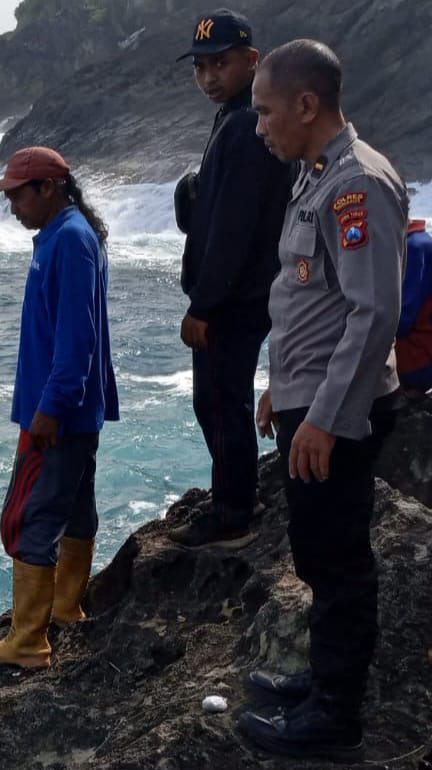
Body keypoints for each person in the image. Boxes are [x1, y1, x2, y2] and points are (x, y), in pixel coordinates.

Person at [235, 40, 409, 759]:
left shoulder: (355, 186)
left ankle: (334, 718)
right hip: (312, 399)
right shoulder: (316, 177)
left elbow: (374, 313)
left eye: (267, 110)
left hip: (340, 411)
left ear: (307, 105)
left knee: (337, 563)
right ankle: (321, 682)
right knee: (317, 555)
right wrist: (287, 386)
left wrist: (328, 420)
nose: (259, 126)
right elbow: (316, 298)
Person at [0, 146, 119, 668]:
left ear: (48, 189)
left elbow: (76, 339)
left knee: (31, 514)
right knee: (76, 506)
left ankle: (29, 642)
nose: (12, 205)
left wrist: (50, 407)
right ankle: (65, 607)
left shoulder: (70, 242)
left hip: (60, 413)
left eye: (17, 194)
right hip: (74, 411)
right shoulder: (64, 236)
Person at [169, 8, 295, 549]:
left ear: (251, 61)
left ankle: (233, 514)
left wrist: (203, 304)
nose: (208, 77)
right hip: (242, 292)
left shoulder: (246, 123)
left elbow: (234, 227)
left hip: (234, 297)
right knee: (222, 399)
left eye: (220, 63)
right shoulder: (238, 117)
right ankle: (240, 495)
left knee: (220, 401)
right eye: (200, 66)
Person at [396, 218, 432, 394]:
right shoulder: (413, 242)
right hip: (430, 350)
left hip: (425, 354)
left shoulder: (415, 247)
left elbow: (401, 320)